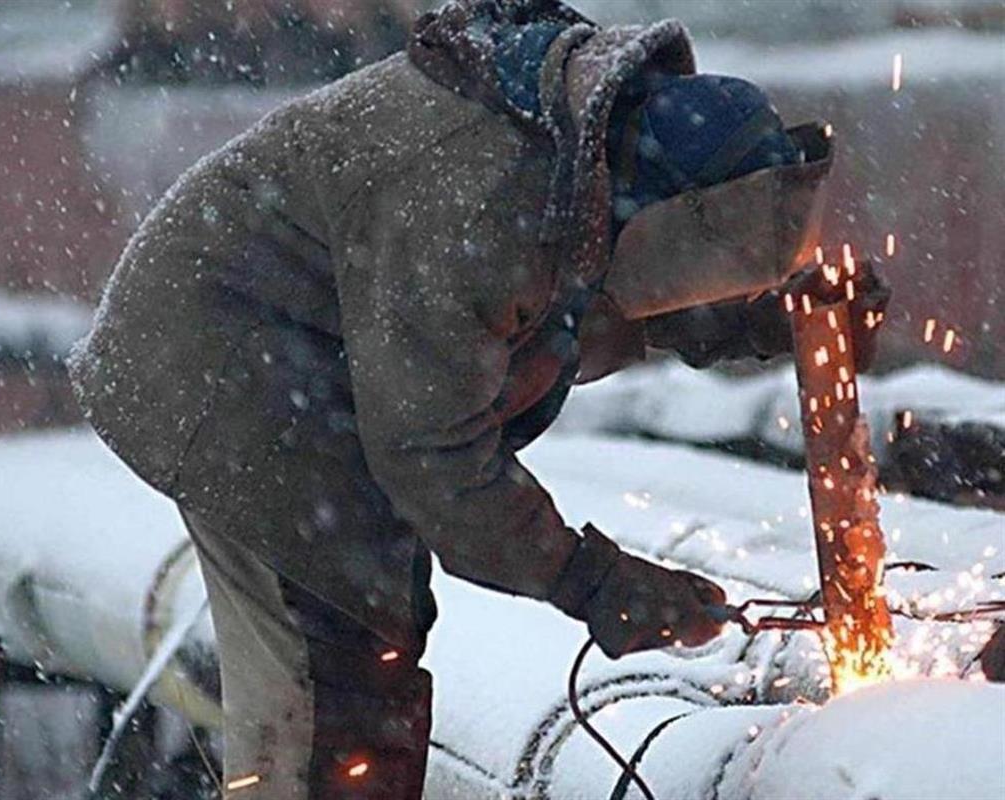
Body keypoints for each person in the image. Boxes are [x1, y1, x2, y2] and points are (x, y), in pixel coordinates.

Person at [69, 1, 888, 797]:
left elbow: (598, 294)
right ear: (659, 204)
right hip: (228, 364)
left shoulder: (590, 156)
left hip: (314, 358)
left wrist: (756, 315)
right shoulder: (480, 194)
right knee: (338, 676)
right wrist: (593, 580)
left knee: (374, 645)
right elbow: (434, 455)